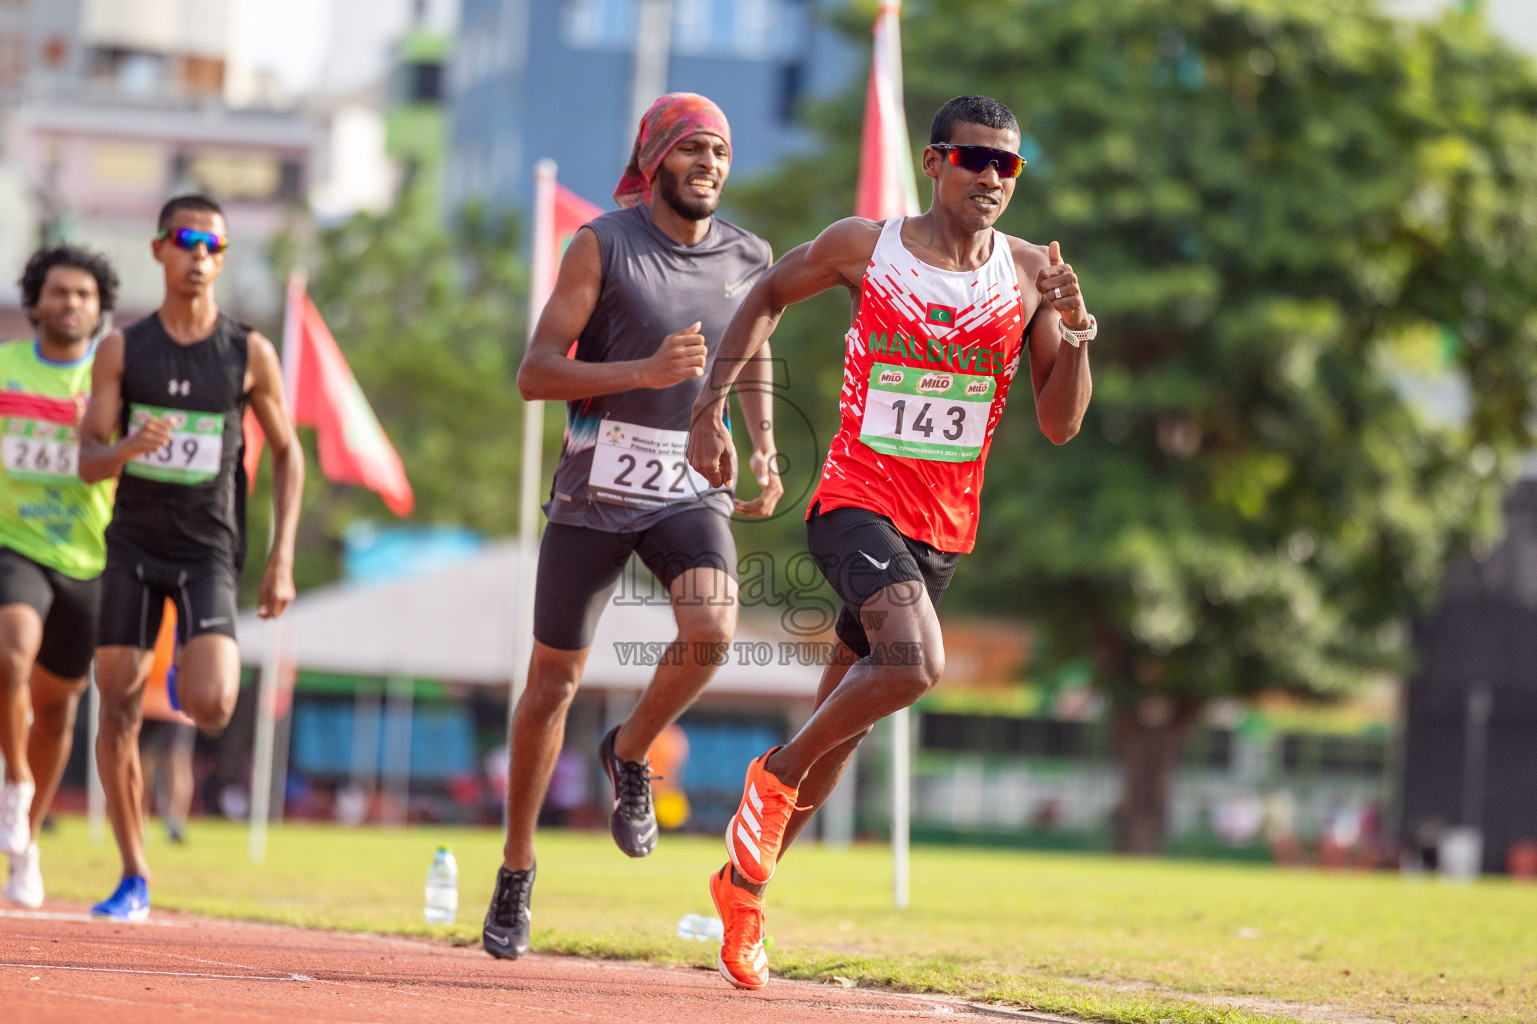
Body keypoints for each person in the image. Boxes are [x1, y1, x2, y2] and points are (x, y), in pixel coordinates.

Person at [686, 95, 1096, 989]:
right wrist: (711, 409)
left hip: (941, 532)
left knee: (835, 756)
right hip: (853, 504)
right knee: (912, 665)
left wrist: (1075, 329)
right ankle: (770, 774)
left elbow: (1060, 423)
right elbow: (764, 294)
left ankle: (741, 887)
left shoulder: (1028, 276)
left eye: (1008, 166)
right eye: (975, 158)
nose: (991, 177)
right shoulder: (862, 247)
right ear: (933, 161)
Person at [481, 93, 780, 960]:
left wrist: (761, 446)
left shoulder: (748, 254)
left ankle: (631, 752)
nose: (711, 166)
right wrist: (643, 369)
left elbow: (752, 349)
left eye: (722, 152)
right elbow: (535, 373)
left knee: (714, 626)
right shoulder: (602, 245)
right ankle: (515, 868)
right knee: (551, 684)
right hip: (595, 491)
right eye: (693, 150)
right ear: (655, 160)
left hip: (690, 486)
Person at [79, 194, 304, 921]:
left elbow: (291, 455)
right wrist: (126, 449)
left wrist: (281, 559)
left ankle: (189, 663)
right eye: (186, 242)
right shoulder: (123, 348)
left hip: (209, 551)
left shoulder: (248, 352)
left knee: (210, 705)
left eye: (212, 247)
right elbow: (86, 461)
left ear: (221, 258)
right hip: (134, 550)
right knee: (115, 707)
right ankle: (134, 873)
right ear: (159, 251)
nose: (199, 257)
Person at [0, 245, 120, 908]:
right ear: (36, 300)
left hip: (88, 557)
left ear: (99, 309)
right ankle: (13, 780)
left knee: (55, 708)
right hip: (12, 542)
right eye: (58, 292)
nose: (70, 303)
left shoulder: (110, 386)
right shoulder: (6, 368)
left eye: (83, 295)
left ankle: (28, 840)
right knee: (10, 651)